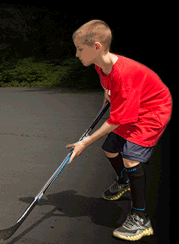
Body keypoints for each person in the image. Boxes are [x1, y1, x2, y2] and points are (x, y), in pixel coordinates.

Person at [67, 19, 172, 241]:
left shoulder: (124, 75)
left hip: (152, 111)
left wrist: (85, 142)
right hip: (133, 104)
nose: (77, 55)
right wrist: (108, 95)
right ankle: (124, 182)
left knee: (130, 159)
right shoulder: (100, 65)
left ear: (96, 47)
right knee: (110, 150)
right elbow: (108, 89)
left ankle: (140, 219)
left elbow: (116, 119)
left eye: (80, 49)